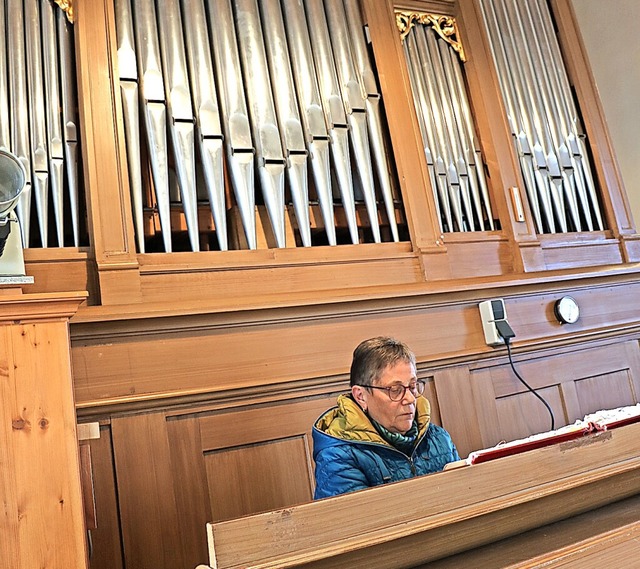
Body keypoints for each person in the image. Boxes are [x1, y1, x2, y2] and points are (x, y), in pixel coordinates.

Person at [312, 336, 460, 499]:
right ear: (361, 396)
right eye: (395, 390)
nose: (410, 399)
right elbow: (362, 522)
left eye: (412, 386)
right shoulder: (338, 457)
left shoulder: (438, 438)